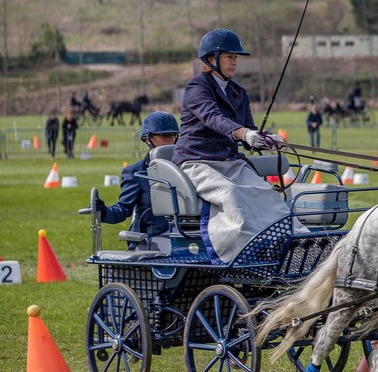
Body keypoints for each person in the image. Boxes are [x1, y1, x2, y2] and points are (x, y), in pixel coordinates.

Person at [172, 28, 306, 264]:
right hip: (197, 161)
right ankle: (236, 252)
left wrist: (265, 138)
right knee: (231, 194)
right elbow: (213, 117)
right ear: (211, 60)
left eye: (235, 58)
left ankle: (298, 241)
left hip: (230, 162)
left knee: (266, 193)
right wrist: (242, 133)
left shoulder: (238, 92)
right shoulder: (197, 88)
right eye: (229, 57)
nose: (234, 62)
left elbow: (249, 128)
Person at [95, 112, 179, 251]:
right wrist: (103, 212)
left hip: (183, 235)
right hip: (151, 237)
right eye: (164, 136)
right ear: (148, 139)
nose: (170, 140)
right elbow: (122, 210)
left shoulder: (186, 167)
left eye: (173, 135)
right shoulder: (136, 172)